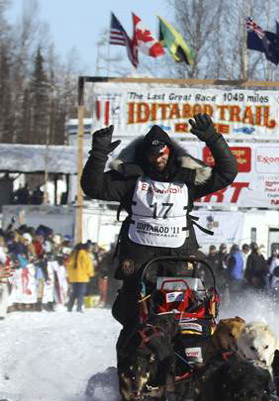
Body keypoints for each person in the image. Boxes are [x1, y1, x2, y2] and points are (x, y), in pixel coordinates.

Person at [80, 114, 237, 336]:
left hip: (179, 257)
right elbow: (93, 187)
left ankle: (188, 357)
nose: (157, 159)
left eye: (162, 154)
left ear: (170, 152)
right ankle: (136, 363)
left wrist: (212, 138)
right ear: (144, 155)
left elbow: (227, 173)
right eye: (152, 155)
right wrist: (98, 154)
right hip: (139, 259)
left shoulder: (188, 178)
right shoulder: (130, 179)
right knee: (133, 316)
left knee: (185, 312)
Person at [65, 243, 94, 312]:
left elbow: (68, 265)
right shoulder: (85, 255)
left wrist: (69, 275)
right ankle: (79, 307)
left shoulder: (72, 254)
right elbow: (88, 266)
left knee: (74, 292)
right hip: (83, 277)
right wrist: (91, 274)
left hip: (74, 277)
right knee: (81, 293)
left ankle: (69, 307)